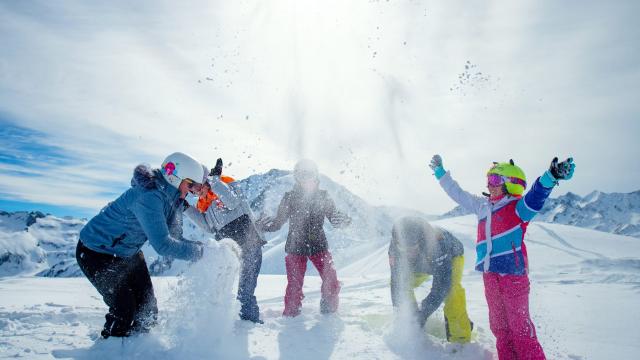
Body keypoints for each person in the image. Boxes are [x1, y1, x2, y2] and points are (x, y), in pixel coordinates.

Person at [429, 155, 576, 359]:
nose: (490, 185)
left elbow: (536, 195)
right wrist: (441, 174)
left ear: (512, 184)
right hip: (490, 275)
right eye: (489, 179)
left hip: (513, 276)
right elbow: (458, 194)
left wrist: (551, 176)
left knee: (520, 328)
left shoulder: (518, 208)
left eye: (496, 180)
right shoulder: (482, 206)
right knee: (499, 327)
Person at [76, 152, 206, 339]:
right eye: (190, 184)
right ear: (174, 176)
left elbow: (175, 238)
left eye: (196, 186)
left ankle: (138, 348)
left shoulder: (173, 199)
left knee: (148, 311)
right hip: (96, 252)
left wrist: (204, 248)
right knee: (124, 309)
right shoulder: (149, 196)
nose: (192, 191)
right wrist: (199, 253)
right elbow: (163, 245)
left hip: (127, 253)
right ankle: (111, 349)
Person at [256, 159, 351, 317]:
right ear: (297, 178)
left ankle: (329, 312)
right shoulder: (289, 197)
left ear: (316, 176)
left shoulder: (323, 197)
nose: (306, 180)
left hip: (319, 245)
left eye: (309, 175)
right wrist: (264, 225)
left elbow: (334, 217)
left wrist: (343, 221)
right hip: (295, 246)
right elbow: (278, 223)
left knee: (332, 282)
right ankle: (291, 317)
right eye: (302, 176)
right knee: (294, 287)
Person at [184, 158, 266, 324]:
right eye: (191, 190)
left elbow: (233, 201)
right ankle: (223, 322)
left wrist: (215, 182)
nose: (195, 192)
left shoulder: (225, 185)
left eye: (197, 186)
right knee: (221, 289)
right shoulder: (203, 203)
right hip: (229, 251)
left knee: (245, 291)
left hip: (249, 243)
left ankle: (249, 324)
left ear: (204, 179)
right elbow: (208, 227)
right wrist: (186, 208)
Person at [389, 216, 473, 343]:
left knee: (451, 291)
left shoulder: (437, 242)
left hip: (452, 258)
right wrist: (407, 313)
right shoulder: (394, 248)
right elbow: (396, 282)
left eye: (412, 248)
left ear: (420, 240)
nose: (407, 252)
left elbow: (442, 285)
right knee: (402, 285)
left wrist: (424, 312)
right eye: (403, 249)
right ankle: (411, 322)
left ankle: (461, 340)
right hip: (420, 265)